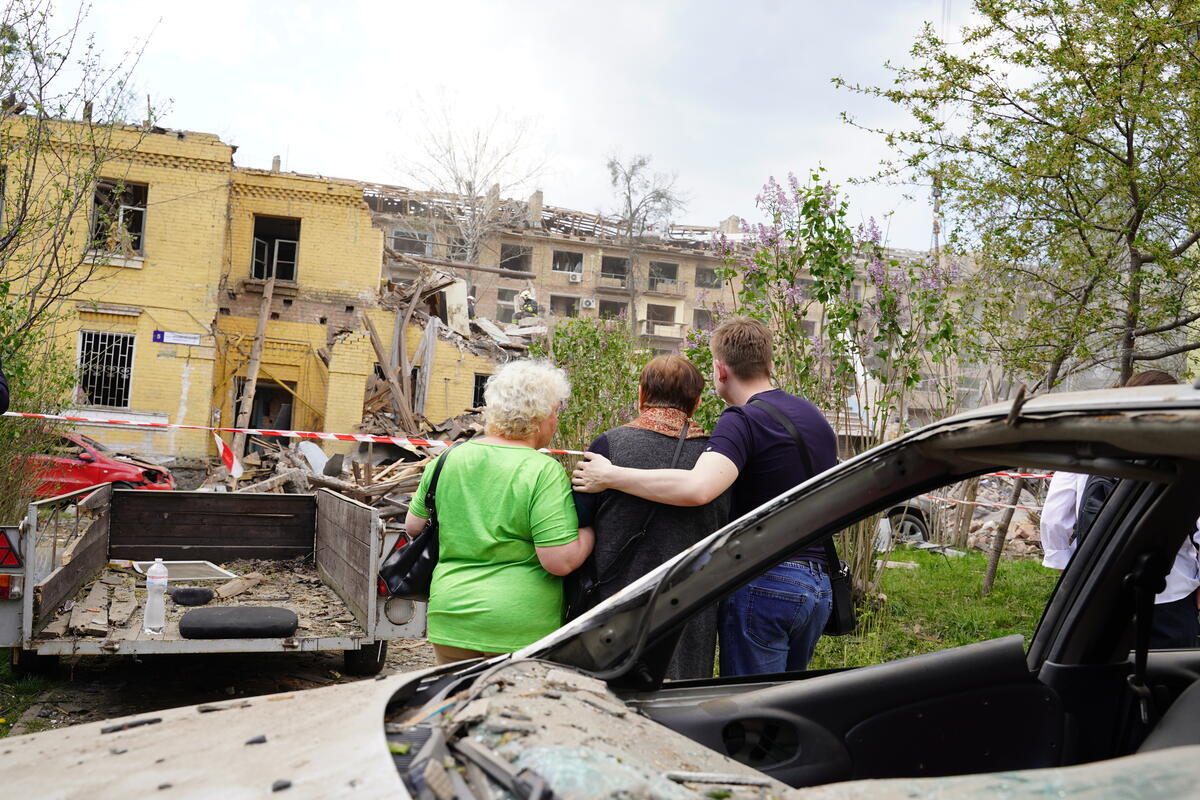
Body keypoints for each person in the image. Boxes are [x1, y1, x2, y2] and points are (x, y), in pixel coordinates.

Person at [573, 317, 839, 676]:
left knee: (748, 711)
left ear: (720, 369)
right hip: (818, 585)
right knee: (783, 703)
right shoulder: (814, 417)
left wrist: (611, 475)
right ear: (770, 363)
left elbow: (698, 488)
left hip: (766, 582)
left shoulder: (742, 419)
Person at [405, 360, 593, 665]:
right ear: (539, 415)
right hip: (518, 623)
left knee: (456, 707)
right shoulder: (542, 471)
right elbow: (558, 560)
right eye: (556, 412)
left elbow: (414, 526)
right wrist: (589, 534)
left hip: (450, 614)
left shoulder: (449, 458)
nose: (556, 422)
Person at [574, 355, 730, 679]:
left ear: (642, 395)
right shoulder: (718, 460)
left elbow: (578, 519)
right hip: (691, 610)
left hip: (617, 607)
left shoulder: (609, 446)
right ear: (697, 403)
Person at [1040, 369, 1200, 649]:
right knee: (1171, 679)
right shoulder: (1188, 452)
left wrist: (1066, 565)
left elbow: (1055, 517)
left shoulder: (1091, 448)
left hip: (1097, 588)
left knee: (1098, 672)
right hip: (1170, 592)